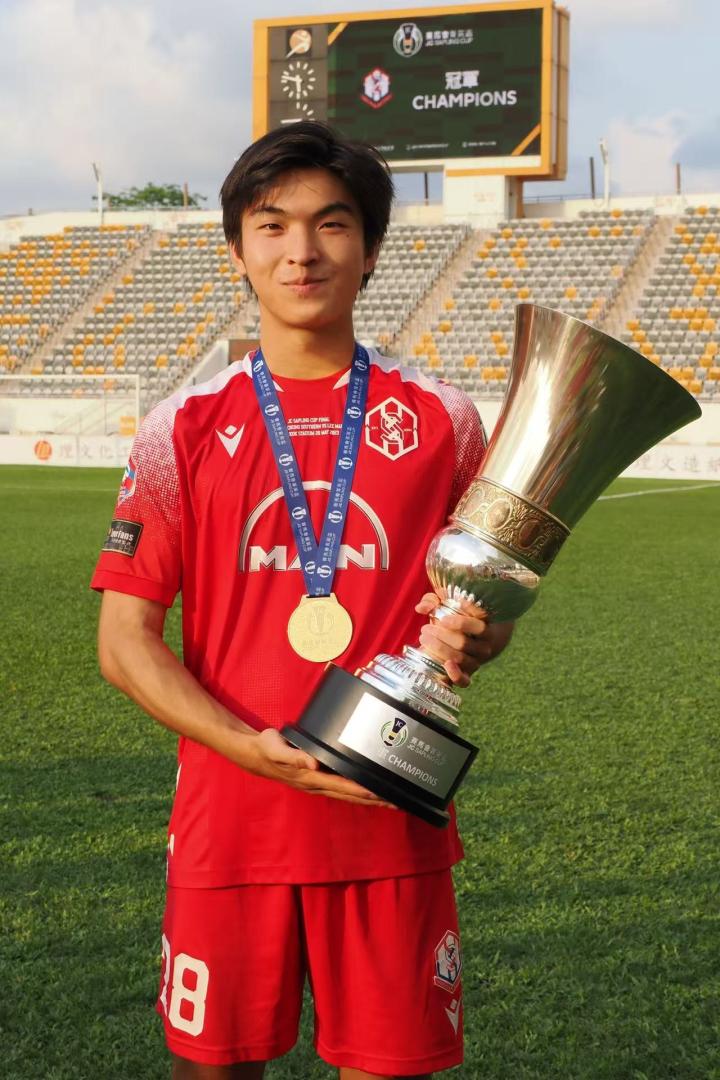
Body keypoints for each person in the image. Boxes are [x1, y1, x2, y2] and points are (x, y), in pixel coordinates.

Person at [92, 120, 514, 1080]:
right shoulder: (180, 428)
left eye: (331, 223)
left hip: (388, 813)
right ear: (237, 248)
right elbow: (125, 641)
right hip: (230, 820)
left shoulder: (444, 420)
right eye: (272, 224)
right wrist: (247, 748)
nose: (302, 251)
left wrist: (480, 635)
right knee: (214, 1070)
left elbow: (476, 609)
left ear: (370, 247)